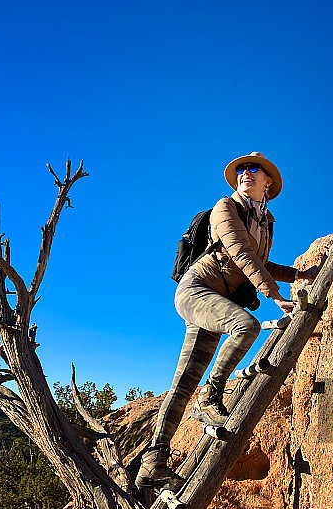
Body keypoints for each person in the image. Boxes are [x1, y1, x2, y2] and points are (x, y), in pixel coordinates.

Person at [135, 152, 317, 490]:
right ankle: (211, 396)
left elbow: (259, 261)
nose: (246, 173)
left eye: (255, 169)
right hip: (196, 291)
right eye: (242, 170)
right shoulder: (225, 207)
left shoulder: (265, 222)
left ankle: (153, 462)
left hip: (216, 301)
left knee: (183, 383)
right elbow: (239, 253)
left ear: (269, 182)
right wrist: (274, 296)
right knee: (245, 326)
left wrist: (298, 274)